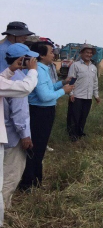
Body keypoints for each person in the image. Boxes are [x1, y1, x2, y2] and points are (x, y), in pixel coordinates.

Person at [18, 43, 74, 190]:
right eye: (51, 52)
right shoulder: (40, 71)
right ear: (42, 55)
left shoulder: (43, 69)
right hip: (40, 112)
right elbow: (44, 96)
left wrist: (62, 84)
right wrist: (63, 91)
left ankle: (35, 180)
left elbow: (48, 89)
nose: (53, 55)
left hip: (42, 111)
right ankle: (29, 182)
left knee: (39, 146)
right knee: (36, 147)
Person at [0, 49, 40, 226]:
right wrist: (32, 71)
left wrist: (11, 69)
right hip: (11, 137)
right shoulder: (19, 80)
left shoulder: (9, 77)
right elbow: (24, 91)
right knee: (9, 175)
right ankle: (3, 214)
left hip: (6, 135)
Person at [67, 44, 100, 141]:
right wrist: (71, 93)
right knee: (74, 116)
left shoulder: (93, 67)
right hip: (77, 96)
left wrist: (96, 95)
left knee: (83, 116)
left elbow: (95, 82)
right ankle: (72, 135)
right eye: (87, 52)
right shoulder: (75, 65)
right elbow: (71, 80)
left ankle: (80, 132)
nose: (89, 55)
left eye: (90, 53)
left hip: (88, 96)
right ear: (81, 53)